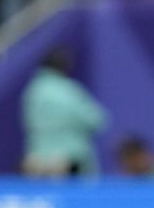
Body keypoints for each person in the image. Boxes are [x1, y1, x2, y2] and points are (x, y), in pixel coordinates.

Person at [21, 48, 108, 177]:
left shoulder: (32, 92)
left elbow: (28, 123)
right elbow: (95, 121)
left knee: (44, 196)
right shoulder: (68, 90)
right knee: (76, 195)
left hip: (37, 157)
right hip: (70, 160)